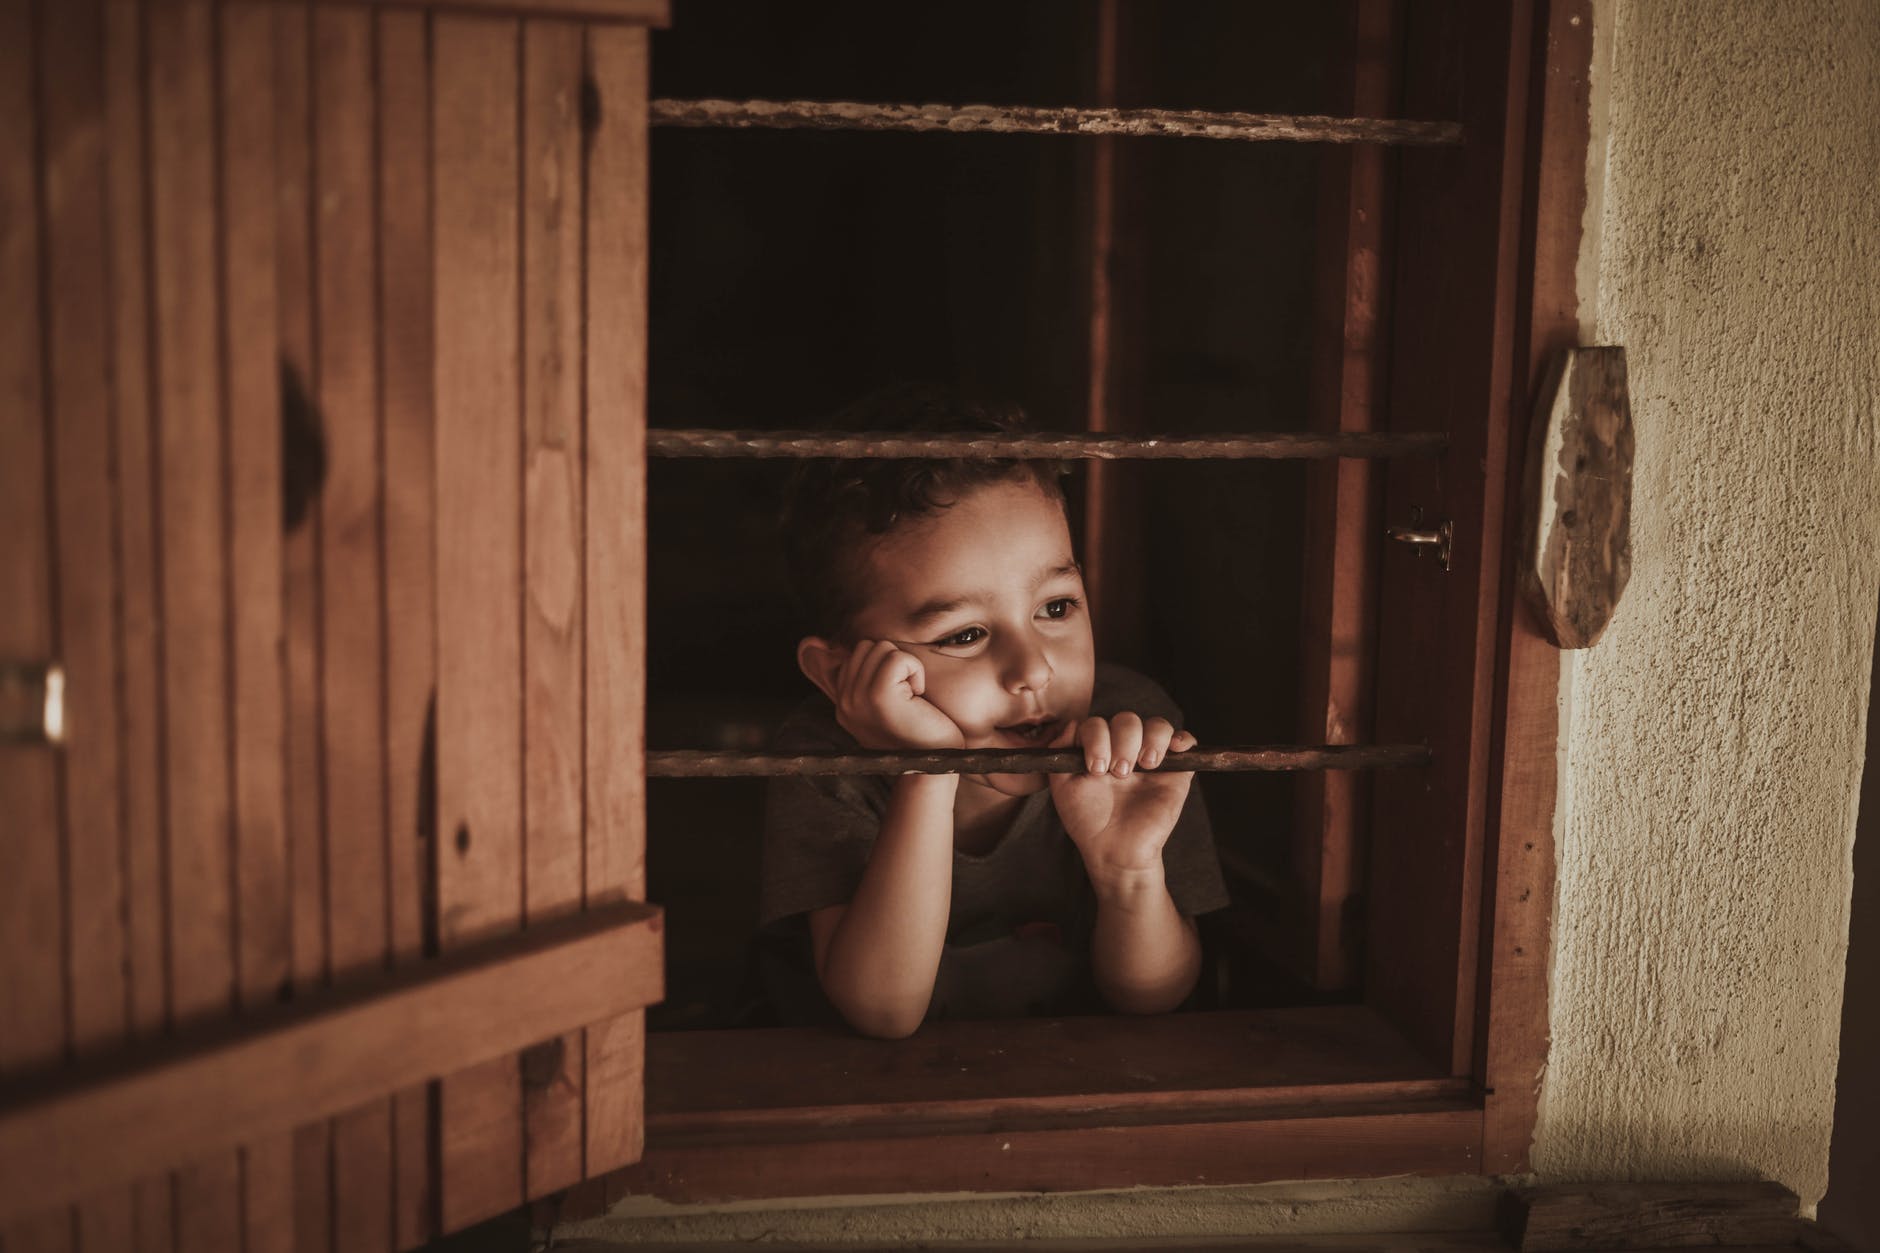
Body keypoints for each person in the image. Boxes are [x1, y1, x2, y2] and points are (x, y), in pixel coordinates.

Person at [759, 387, 1228, 1038]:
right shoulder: (823, 759)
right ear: (840, 674)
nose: (1034, 669)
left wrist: (1128, 873)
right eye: (964, 635)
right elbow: (883, 1011)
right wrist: (927, 770)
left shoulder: (1130, 730)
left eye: (1056, 608)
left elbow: (1157, 997)